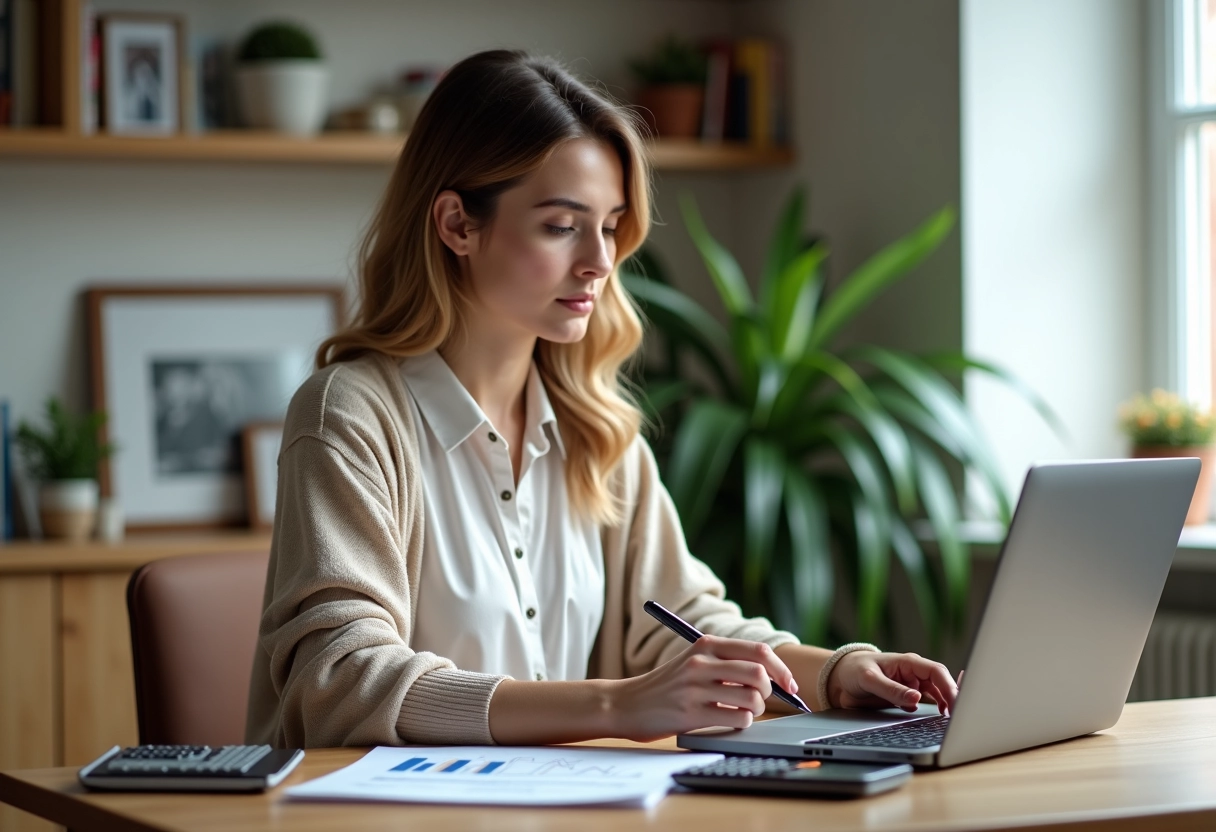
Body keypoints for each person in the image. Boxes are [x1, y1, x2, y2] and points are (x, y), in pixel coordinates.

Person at [245, 49, 959, 749]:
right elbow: (339, 680)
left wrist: (838, 671)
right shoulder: (351, 414)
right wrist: (619, 706)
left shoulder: (594, 426)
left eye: (611, 225)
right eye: (561, 225)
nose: (600, 260)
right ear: (457, 223)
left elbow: (681, 617)